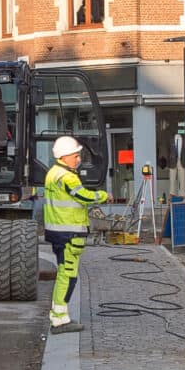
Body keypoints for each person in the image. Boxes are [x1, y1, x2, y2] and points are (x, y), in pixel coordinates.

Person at [42, 134, 107, 332]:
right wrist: (103, 195)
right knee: (67, 276)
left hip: (57, 231)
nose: (79, 159)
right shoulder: (67, 176)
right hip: (69, 234)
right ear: (64, 156)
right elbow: (83, 196)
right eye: (75, 156)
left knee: (65, 274)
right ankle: (60, 319)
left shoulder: (52, 173)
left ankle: (58, 315)